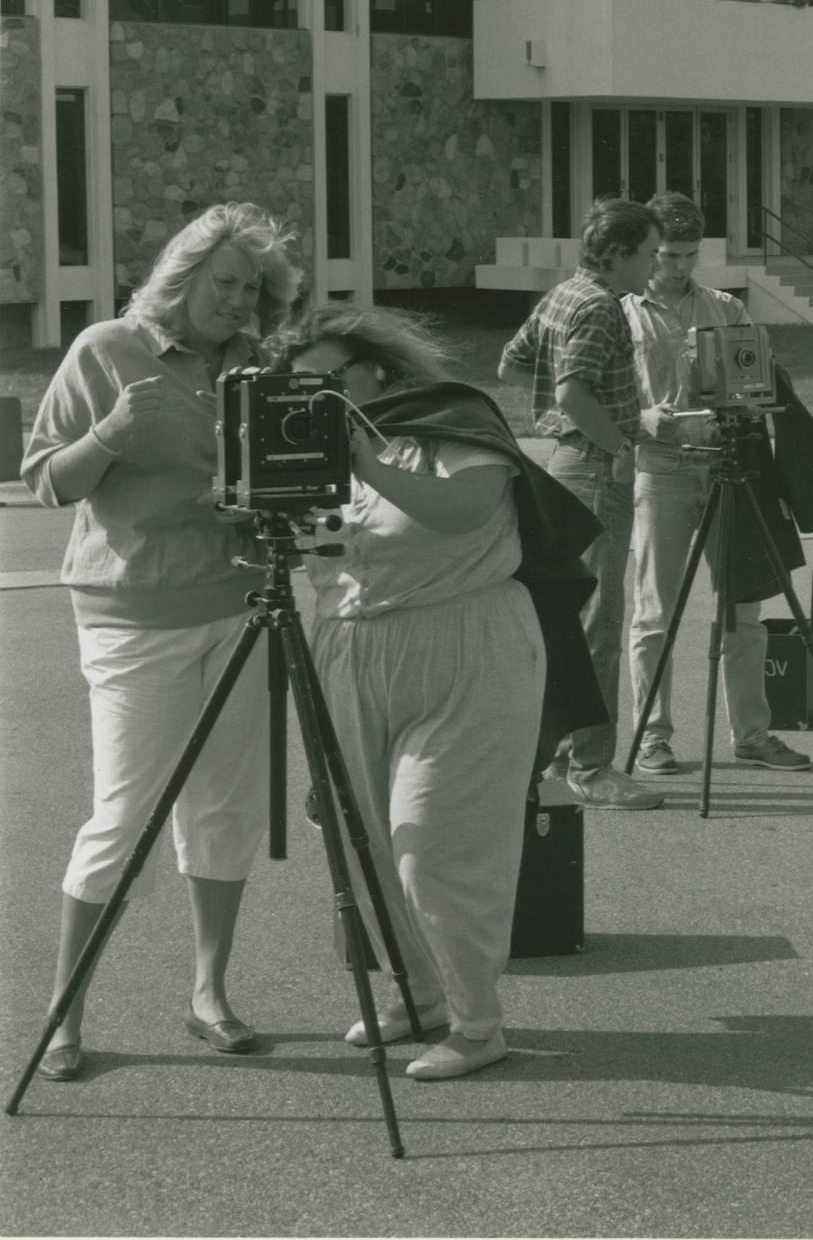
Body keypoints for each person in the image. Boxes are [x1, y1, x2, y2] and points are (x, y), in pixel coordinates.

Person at [22, 202, 302, 1082]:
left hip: (242, 603)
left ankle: (209, 992)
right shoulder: (106, 349)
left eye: (253, 288)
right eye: (224, 283)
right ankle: (66, 1011)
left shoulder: (256, 362)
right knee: (122, 819)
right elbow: (42, 482)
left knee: (225, 813)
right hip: (133, 613)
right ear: (181, 278)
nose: (237, 301)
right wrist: (109, 435)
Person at [279, 306, 544, 1081]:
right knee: (365, 844)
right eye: (303, 386)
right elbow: (326, 554)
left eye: (332, 378)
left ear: (380, 373)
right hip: (351, 649)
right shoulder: (310, 450)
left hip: (468, 646)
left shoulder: (453, 422)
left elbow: (464, 514)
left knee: (433, 843)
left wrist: (372, 464)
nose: (318, 396)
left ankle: (477, 1020)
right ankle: (419, 994)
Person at [623, 196, 811, 776]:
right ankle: (652, 736)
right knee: (655, 611)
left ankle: (752, 733)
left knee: (743, 609)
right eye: (666, 255)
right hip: (662, 468)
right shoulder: (622, 309)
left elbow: (758, 381)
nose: (676, 266)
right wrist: (639, 417)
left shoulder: (725, 307)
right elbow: (599, 390)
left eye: (686, 255)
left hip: (726, 465)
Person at [498, 198, 667, 811]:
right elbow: (570, 391)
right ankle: (593, 767)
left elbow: (513, 366)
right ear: (618, 253)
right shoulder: (599, 306)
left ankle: (558, 754)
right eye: (648, 254)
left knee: (569, 619)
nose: (655, 266)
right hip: (594, 469)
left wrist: (562, 406)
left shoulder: (565, 294)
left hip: (565, 465)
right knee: (599, 624)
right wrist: (617, 442)